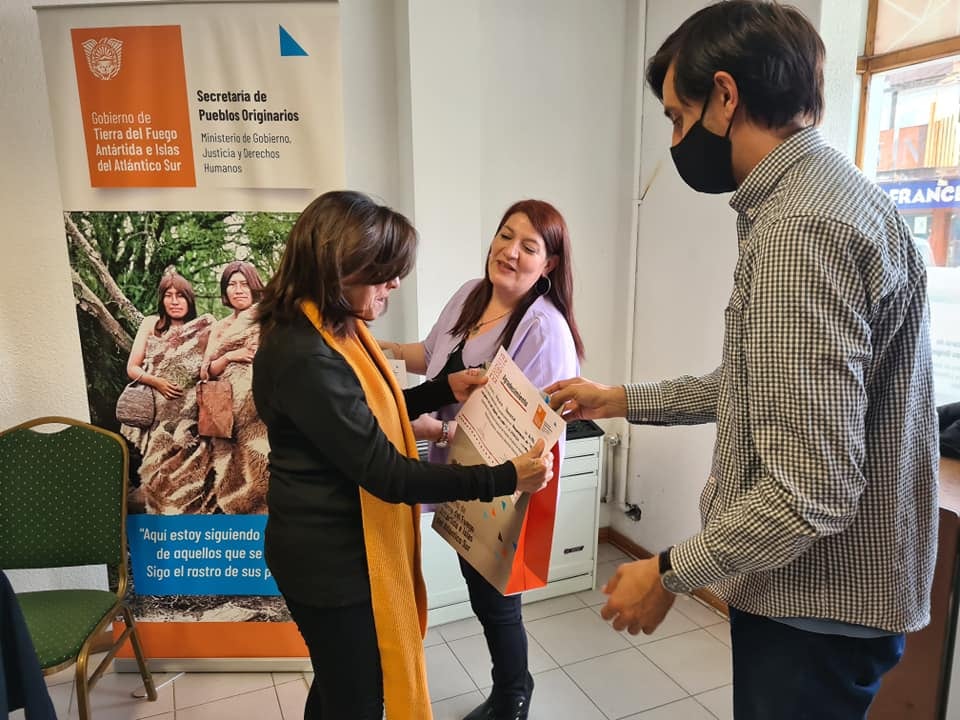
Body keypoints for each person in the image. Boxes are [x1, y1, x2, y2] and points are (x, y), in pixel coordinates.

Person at [546, 3, 938, 718]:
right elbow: (757, 385)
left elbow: (810, 492)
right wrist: (621, 399)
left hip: (816, 604)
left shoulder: (801, 231)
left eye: (675, 116)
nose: (673, 140)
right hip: (825, 598)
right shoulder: (827, 199)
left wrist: (668, 571)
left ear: (725, 97)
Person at [251, 190, 555, 720]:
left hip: (334, 548)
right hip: (330, 561)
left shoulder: (327, 328)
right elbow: (387, 472)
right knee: (357, 698)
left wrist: (441, 388)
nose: (393, 284)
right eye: (383, 271)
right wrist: (504, 476)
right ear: (337, 266)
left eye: (527, 246)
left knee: (337, 684)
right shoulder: (308, 353)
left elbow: (365, 412)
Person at [381, 199, 582, 720]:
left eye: (528, 247)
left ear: (550, 265)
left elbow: (527, 431)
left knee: (495, 593)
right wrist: (373, 351)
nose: (509, 252)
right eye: (504, 235)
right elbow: (431, 355)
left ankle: (514, 693)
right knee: (476, 581)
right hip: (454, 465)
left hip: (500, 479)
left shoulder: (544, 329)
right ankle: (511, 683)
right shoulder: (472, 294)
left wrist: (439, 428)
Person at [122, 270, 215, 514]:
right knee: (156, 474)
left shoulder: (203, 329)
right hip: (157, 418)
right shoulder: (151, 324)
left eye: (180, 296)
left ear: (189, 300)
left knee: (188, 478)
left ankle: (185, 533)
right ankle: (158, 530)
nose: (174, 301)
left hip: (191, 418)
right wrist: (157, 382)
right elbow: (132, 367)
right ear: (162, 299)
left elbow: (210, 369)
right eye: (169, 295)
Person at [200, 260, 269, 514]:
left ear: (254, 287)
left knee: (261, 464)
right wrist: (231, 355)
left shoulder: (269, 319)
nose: (238, 289)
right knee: (229, 470)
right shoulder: (220, 327)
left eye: (244, 284)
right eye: (232, 284)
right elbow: (206, 371)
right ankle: (237, 522)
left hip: (259, 406)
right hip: (225, 410)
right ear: (225, 291)